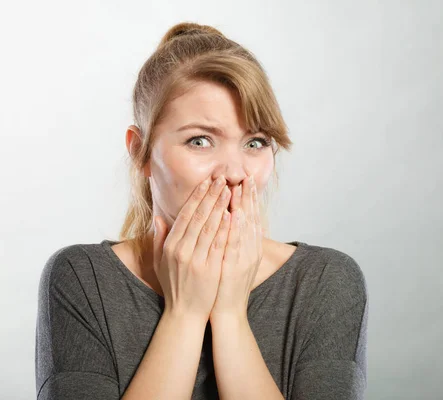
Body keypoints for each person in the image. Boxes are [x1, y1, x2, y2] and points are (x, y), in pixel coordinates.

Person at [35, 21, 369, 400]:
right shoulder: (82, 278)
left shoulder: (326, 281)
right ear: (140, 152)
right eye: (200, 140)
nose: (234, 173)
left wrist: (229, 315)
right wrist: (185, 314)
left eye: (255, 142)